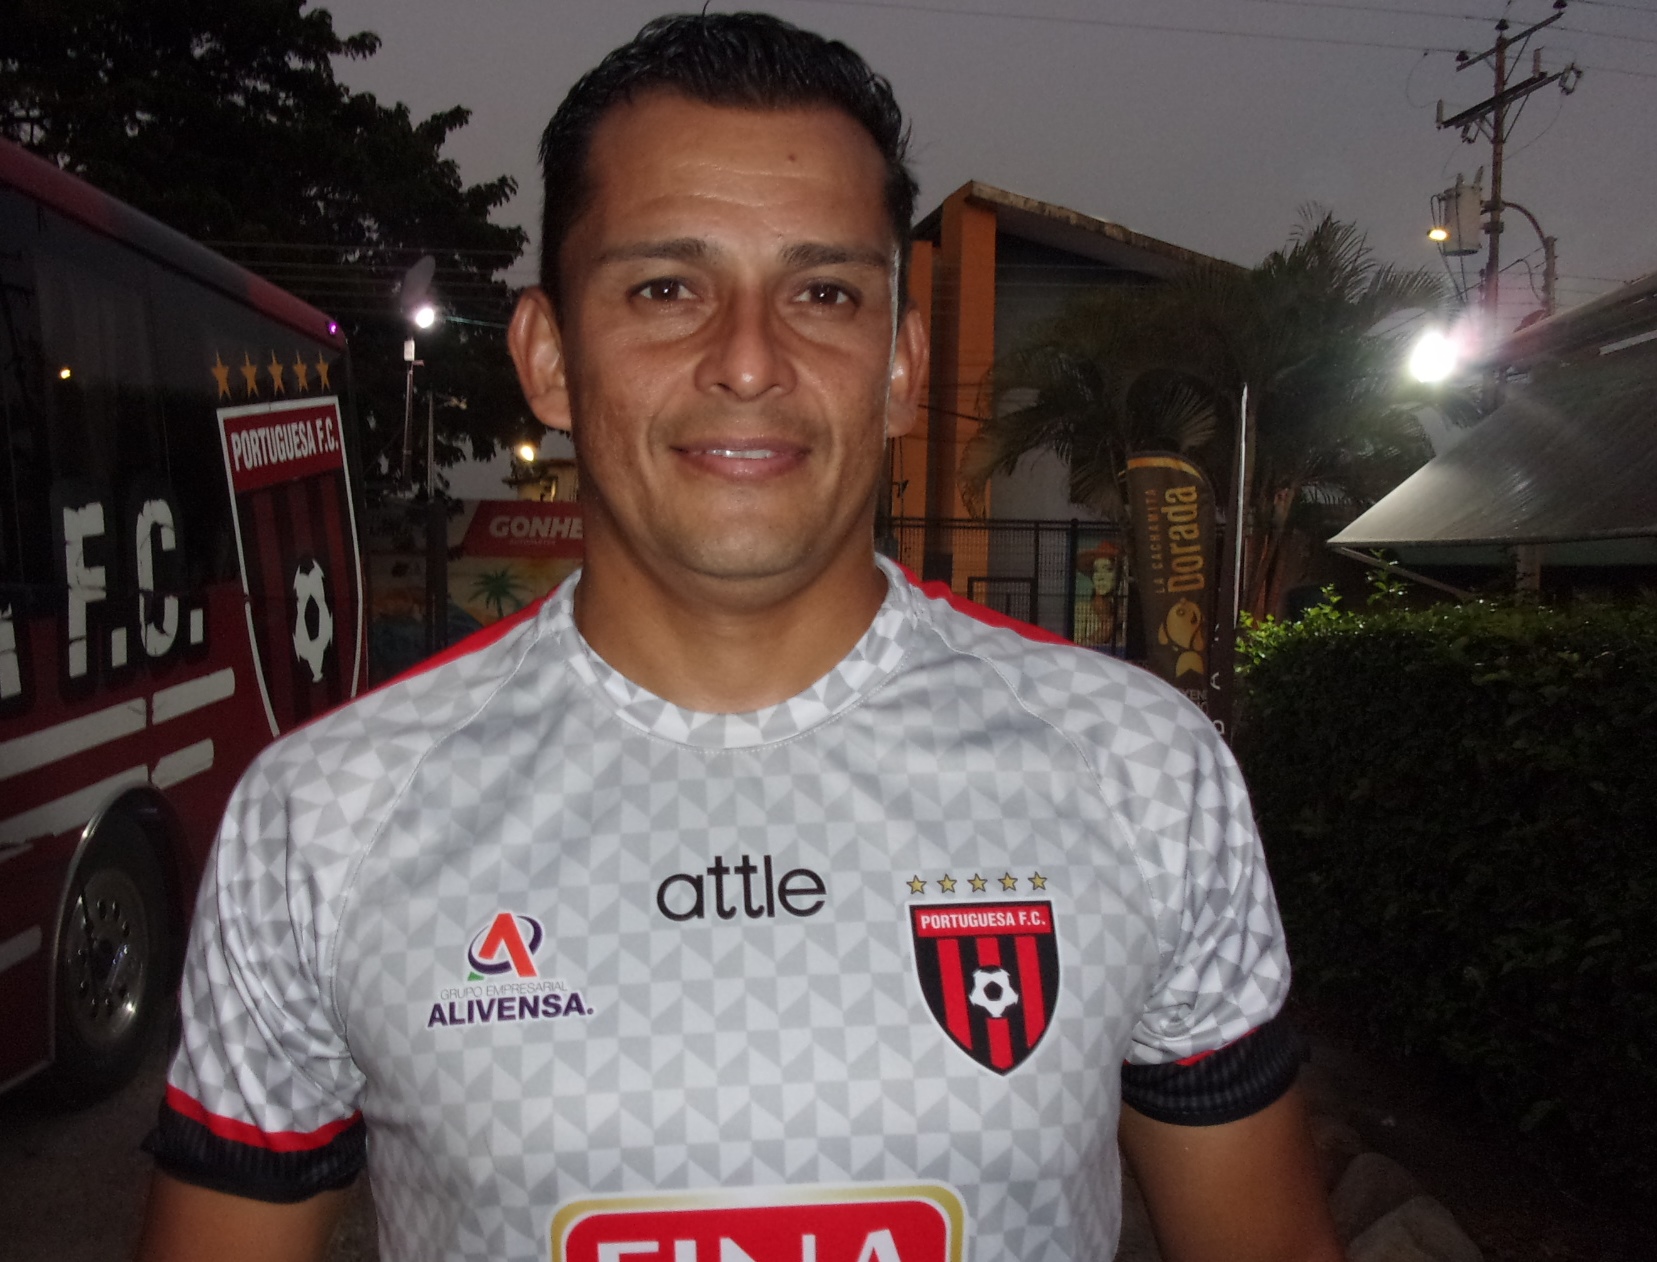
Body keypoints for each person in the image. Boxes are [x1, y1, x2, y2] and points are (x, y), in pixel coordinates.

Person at [137, 13, 1342, 1262]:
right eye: (667, 288)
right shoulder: (325, 817)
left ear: (899, 363)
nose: (751, 362)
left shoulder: (1138, 769)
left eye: (823, 292)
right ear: (547, 357)